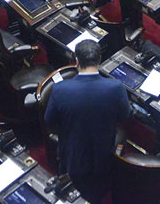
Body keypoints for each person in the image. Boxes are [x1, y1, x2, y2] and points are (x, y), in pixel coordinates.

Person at [44, 39, 131, 204]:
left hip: (71, 160)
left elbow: (49, 120)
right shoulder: (116, 87)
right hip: (102, 161)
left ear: (76, 60)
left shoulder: (60, 89)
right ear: (99, 59)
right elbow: (124, 117)